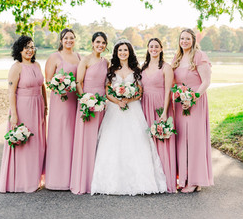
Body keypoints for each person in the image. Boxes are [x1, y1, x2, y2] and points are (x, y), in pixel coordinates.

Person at [91, 40, 167, 195]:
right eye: (120, 50)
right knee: (113, 142)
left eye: (125, 50)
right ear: (116, 53)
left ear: (130, 52)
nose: (123, 53)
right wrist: (118, 101)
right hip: (114, 109)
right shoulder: (111, 70)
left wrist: (128, 99)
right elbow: (107, 91)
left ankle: (140, 181)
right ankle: (110, 182)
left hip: (133, 109)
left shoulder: (136, 70)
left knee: (136, 142)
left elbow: (139, 91)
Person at [0, 36, 47, 193]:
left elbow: (42, 86)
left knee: (37, 143)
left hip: (38, 107)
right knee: (24, 143)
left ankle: (35, 179)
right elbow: (11, 92)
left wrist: (46, 105)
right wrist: (14, 115)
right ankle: (22, 182)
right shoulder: (16, 67)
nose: (30, 50)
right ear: (19, 49)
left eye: (32, 47)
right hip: (23, 107)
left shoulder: (37, 65)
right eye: (26, 47)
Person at [172, 28, 213, 193]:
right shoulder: (178, 57)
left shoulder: (199, 56)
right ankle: (183, 177)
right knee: (182, 139)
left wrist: (192, 98)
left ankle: (196, 181)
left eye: (187, 39)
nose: (184, 41)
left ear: (193, 40)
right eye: (182, 38)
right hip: (180, 103)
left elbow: (206, 82)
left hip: (195, 102)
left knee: (195, 139)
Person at [70, 32, 109, 194]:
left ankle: (98, 181)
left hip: (102, 105)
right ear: (92, 43)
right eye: (98, 42)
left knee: (100, 141)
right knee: (86, 141)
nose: (100, 45)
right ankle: (83, 181)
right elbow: (78, 82)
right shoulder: (84, 60)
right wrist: (85, 100)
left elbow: (107, 82)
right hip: (87, 104)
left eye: (103, 43)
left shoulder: (106, 62)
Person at [45, 28, 80, 190]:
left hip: (75, 101)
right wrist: (61, 86)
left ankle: (72, 177)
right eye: (66, 38)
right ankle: (56, 179)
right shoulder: (54, 57)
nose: (69, 40)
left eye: (71, 38)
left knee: (73, 137)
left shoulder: (78, 56)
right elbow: (48, 80)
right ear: (61, 40)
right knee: (59, 137)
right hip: (60, 101)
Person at [141, 38, 177, 193]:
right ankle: (151, 179)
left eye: (156, 46)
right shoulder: (143, 67)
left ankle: (166, 180)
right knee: (147, 142)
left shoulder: (166, 67)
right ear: (148, 49)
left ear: (161, 49)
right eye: (151, 46)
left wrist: (164, 112)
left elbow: (168, 91)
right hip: (145, 106)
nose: (154, 49)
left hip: (160, 106)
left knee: (162, 141)